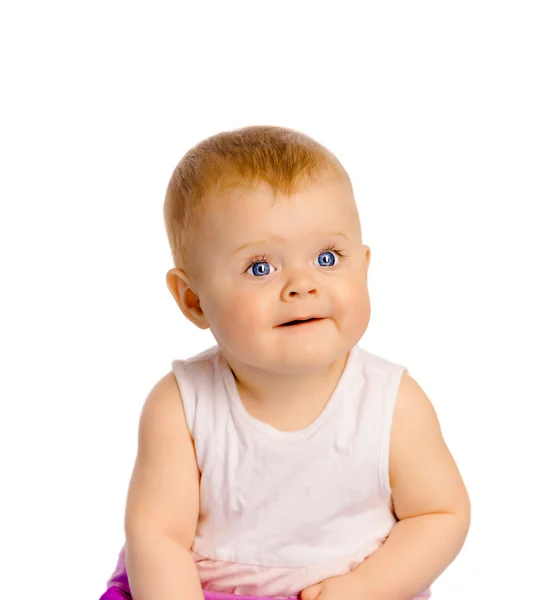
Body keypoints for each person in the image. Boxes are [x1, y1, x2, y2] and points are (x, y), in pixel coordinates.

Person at [101, 126, 471, 600]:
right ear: (194, 300)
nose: (302, 285)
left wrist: (365, 587)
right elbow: (158, 539)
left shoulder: (393, 402)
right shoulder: (180, 406)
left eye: (327, 256)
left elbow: (439, 515)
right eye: (261, 267)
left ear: (364, 265)